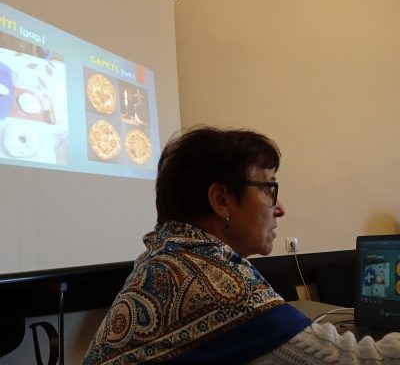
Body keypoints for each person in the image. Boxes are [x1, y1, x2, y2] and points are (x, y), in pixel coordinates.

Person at [83, 126, 400, 365]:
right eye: (268, 189)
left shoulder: (162, 260)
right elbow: (357, 360)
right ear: (221, 199)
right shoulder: (220, 288)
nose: (280, 208)